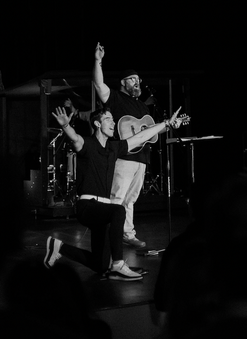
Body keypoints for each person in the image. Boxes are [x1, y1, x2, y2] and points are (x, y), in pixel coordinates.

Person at [44, 105, 181, 281]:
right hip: (87, 206)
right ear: (97, 123)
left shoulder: (113, 148)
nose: (113, 122)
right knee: (119, 210)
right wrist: (65, 126)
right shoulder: (88, 144)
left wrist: (166, 124)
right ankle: (118, 264)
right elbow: (75, 138)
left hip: (103, 210)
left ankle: (58, 247)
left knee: (100, 265)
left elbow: (141, 136)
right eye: (108, 119)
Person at [92, 42, 180, 248]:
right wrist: (98, 61)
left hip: (141, 159)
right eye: (132, 79)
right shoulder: (114, 97)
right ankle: (110, 234)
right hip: (123, 156)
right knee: (117, 197)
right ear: (123, 82)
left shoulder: (142, 106)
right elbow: (98, 85)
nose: (137, 82)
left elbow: (151, 132)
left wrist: (170, 125)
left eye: (138, 79)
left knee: (130, 200)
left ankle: (127, 234)